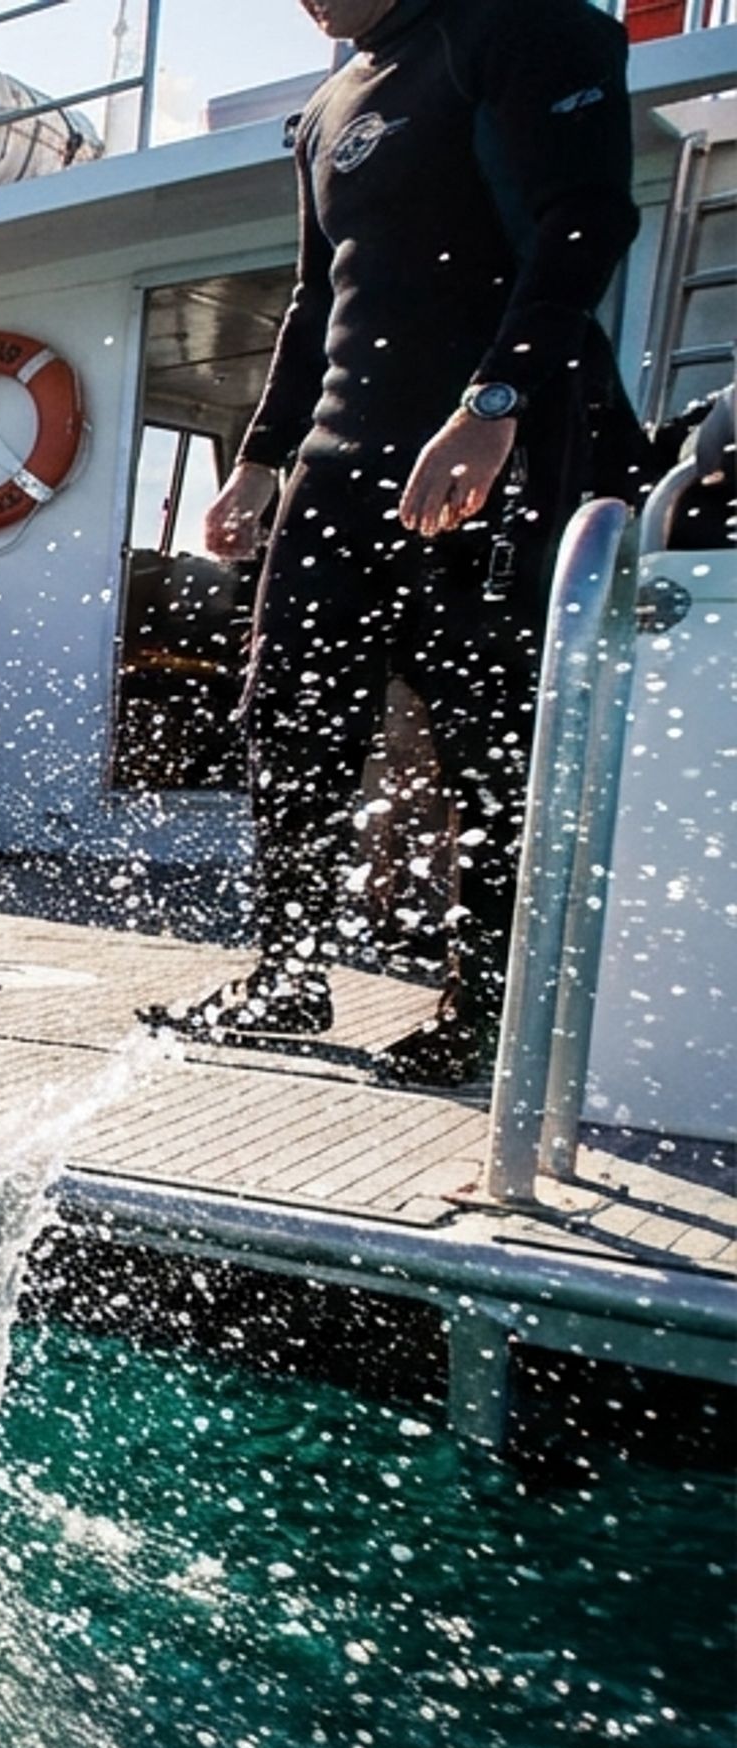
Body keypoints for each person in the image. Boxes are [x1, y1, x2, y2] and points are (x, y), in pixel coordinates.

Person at [146, 0, 639, 1088]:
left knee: (490, 735)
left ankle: (488, 1007)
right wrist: (260, 459)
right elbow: (316, 295)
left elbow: (586, 218)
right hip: (340, 463)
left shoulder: (520, 27)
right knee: (292, 718)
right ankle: (287, 973)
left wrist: (495, 402)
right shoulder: (331, 105)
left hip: (487, 439)